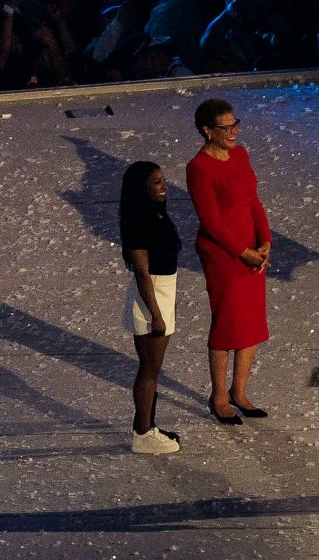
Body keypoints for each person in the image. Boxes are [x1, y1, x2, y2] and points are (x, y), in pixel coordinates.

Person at [186, 98, 272, 425]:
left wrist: (265, 241)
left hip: (250, 249)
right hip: (223, 255)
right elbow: (211, 222)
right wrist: (244, 252)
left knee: (249, 322)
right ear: (207, 131)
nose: (233, 131)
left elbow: (253, 200)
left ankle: (240, 392)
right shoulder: (199, 167)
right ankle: (219, 395)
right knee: (227, 323)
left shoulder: (240, 155)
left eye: (236, 124)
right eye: (226, 127)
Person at [120, 161, 182, 454]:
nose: (164, 186)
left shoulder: (155, 213)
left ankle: (146, 425)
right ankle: (142, 432)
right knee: (149, 369)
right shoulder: (138, 220)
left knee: (153, 369)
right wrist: (156, 314)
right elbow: (143, 273)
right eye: (156, 182)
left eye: (163, 180)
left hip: (163, 293)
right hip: (152, 296)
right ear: (141, 188)